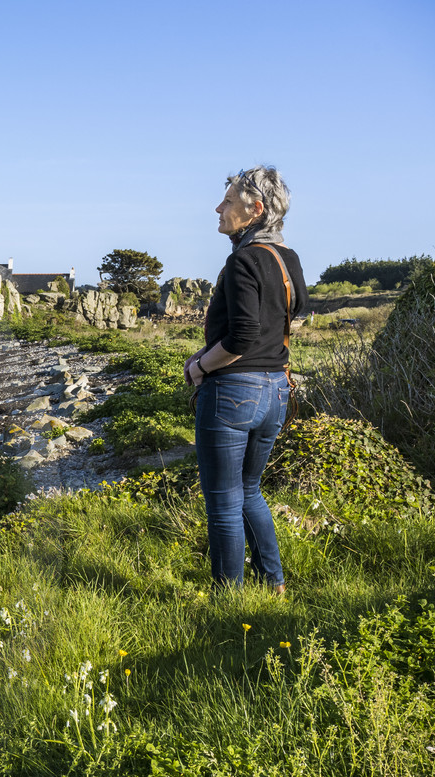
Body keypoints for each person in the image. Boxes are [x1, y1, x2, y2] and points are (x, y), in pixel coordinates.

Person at [185, 165, 307, 592]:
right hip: (276, 389)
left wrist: (199, 367)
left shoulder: (243, 260)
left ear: (255, 210)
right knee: (250, 490)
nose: (218, 207)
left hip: (233, 393)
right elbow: (289, 317)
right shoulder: (286, 257)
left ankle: (228, 602)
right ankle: (273, 582)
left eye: (229, 201)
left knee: (222, 503)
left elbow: (242, 336)